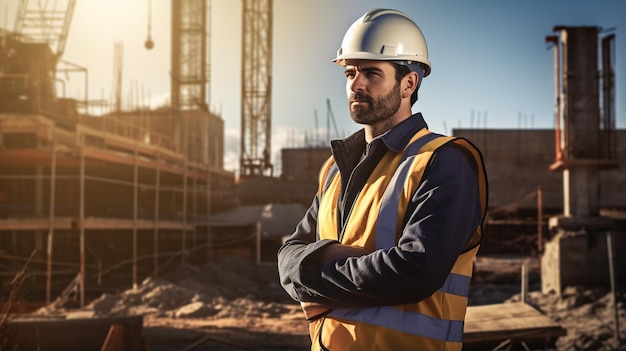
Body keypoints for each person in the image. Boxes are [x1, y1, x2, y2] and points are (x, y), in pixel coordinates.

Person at [277, 8, 488, 351]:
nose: (356, 84)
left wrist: (313, 275)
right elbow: (288, 255)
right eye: (350, 73)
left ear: (409, 83)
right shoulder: (335, 168)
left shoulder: (443, 161)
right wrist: (329, 259)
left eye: (372, 73)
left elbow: (415, 271)